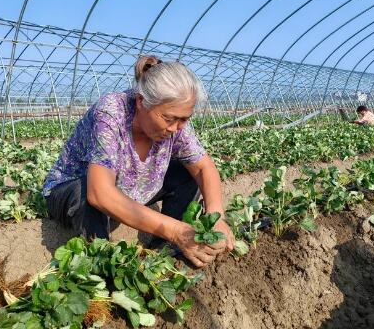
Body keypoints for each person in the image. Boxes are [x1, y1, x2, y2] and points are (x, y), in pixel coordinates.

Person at [42, 55, 234, 267]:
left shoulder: (176, 123)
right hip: (72, 192)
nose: (175, 128)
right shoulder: (112, 111)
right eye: (169, 118)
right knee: (87, 187)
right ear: (142, 101)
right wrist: (176, 230)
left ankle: (163, 254)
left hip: (129, 189)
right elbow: (99, 194)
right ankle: (101, 266)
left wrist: (216, 215)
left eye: (184, 118)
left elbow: (203, 168)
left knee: (185, 174)